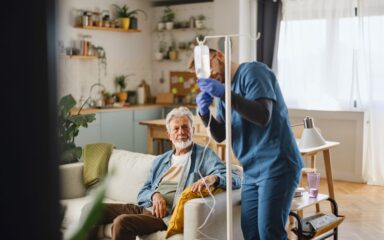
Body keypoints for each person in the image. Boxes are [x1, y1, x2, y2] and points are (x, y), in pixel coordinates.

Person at [189, 49, 303, 240]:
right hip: (251, 171)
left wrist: (225, 95)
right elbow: (219, 135)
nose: (210, 76)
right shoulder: (224, 94)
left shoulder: (253, 71)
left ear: (219, 55)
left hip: (277, 165)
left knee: (269, 232)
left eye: (209, 68)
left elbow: (262, 116)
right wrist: (204, 113)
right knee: (250, 232)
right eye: (202, 74)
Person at [81, 106, 241, 240]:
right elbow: (143, 192)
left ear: (192, 130)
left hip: (164, 215)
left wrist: (214, 178)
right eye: (176, 128)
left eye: (185, 127)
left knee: (122, 222)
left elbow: (235, 178)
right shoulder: (161, 160)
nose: (181, 132)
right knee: (91, 209)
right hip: (145, 207)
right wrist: (155, 195)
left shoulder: (205, 155)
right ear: (169, 134)